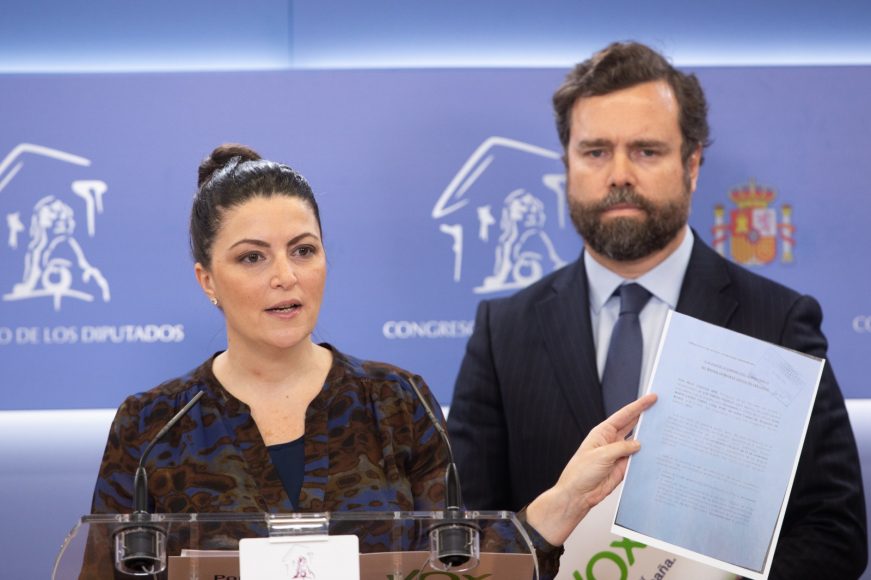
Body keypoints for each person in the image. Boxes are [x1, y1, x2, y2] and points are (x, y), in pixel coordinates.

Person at [89, 143, 658, 578]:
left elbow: (454, 570)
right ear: (207, 280)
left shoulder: (397, 401)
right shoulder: (153, 427)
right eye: (252, 257)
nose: (285, 276)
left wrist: (559, 506)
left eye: (303, 250)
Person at [446, 41, 867, 579]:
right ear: (566, 166)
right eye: (595, 152)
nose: (619, 173)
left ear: (692, 165)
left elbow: (836, 532)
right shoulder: (502, 333)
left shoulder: (778, 323)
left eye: (646, 151)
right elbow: (466, 539)